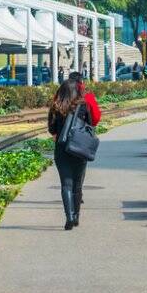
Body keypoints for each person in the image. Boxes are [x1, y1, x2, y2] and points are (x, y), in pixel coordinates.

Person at [46, 73, 101, 230]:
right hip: (79, 148)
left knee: (66, 184)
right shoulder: (83, 105)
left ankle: (69, 217)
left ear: (62, 91)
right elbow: (91, 124)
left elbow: (51, 129)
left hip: (62, 149)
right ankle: (76, 216)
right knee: (77, 184)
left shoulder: (56, 107)